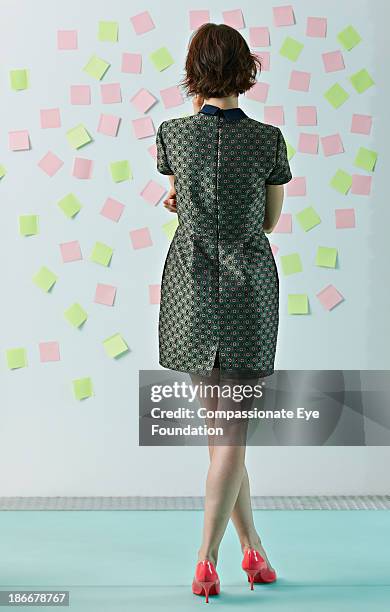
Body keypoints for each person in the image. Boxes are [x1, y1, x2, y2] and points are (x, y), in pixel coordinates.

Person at [155, 23, 292, 602]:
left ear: (194, 72)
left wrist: (179, 200)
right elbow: (265, 222)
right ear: (247, 70)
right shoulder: (267, 140)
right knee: (231, 440)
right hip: (247, 298)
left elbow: (182, 203)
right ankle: (206, 559)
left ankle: (253, 552)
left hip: (189, 294)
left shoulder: (172, 135)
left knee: (222, 441)